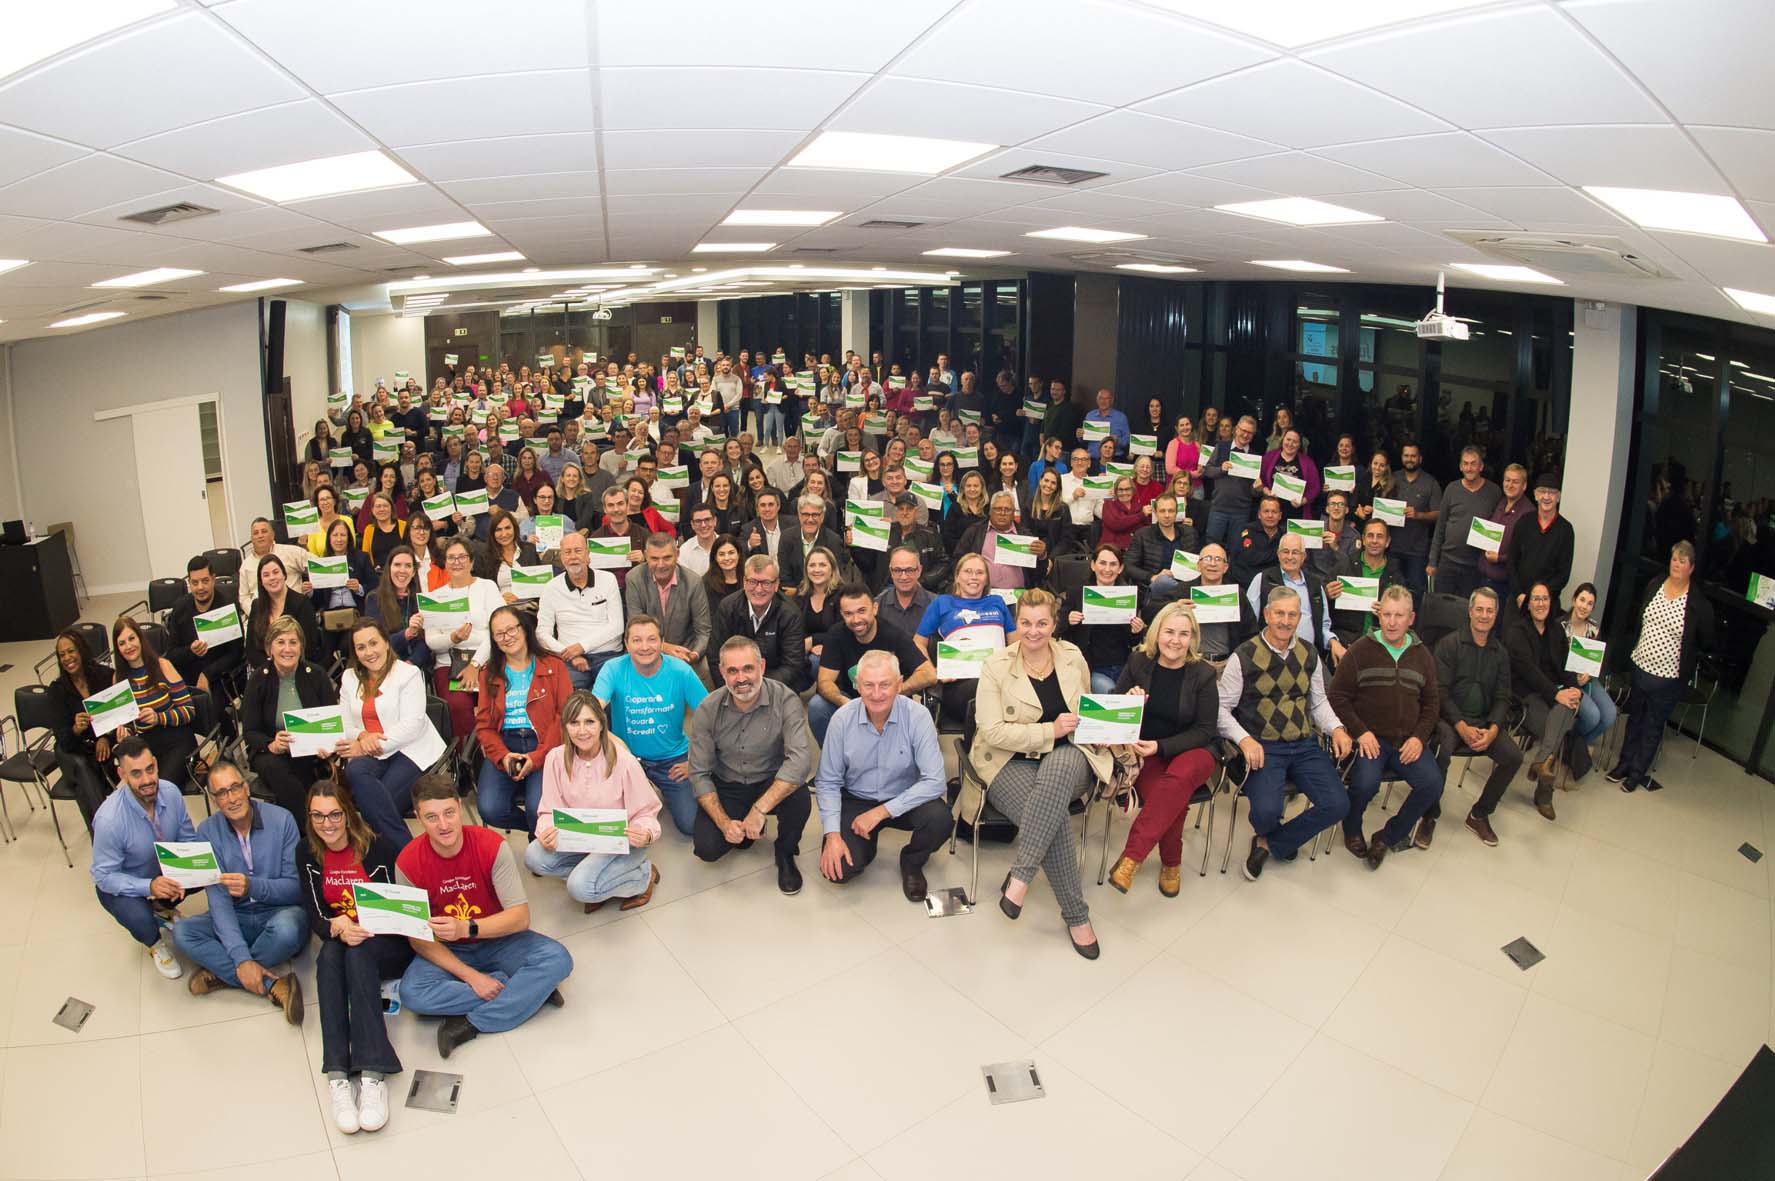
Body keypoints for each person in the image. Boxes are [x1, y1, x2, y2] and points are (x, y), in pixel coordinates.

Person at [969, 590, 1111, 958]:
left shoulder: (1073, 657)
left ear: (1054, 623)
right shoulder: (996, 665)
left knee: (1059, 767)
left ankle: (1021, 875)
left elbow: (1088, 712)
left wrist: (1117, 715)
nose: (1034, 631)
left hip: (1070, 757)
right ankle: (1077, 916)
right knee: (1055, 816)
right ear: (1017, 622)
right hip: (1007, 761)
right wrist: (1050, 731)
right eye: (1027, 623)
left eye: (1042, 623)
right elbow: (992, 731)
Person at [395, 774, 573, 1059]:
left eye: (449, 813)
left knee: (559, 959)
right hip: (448, 949)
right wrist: (472, 977)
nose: (443, 825)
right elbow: (418, 939)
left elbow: (520, 918)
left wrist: (467, 928)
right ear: (418, 817)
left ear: (458, 806)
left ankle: (470, 1023)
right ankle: (529, 993)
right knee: (412, 994)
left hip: (496, 936)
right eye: (431, 817)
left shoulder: (490, 845)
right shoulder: (407, 862)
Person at [1217, 586, 1354, 880]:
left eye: (1293, 614)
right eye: (1279, 613)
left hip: (1304, 744)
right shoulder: (1243, 656)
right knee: (1265, 813)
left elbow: (1318, 701)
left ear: (1300, 617)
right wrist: (1245, 739)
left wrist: (1338, 728)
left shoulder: (1309, 653)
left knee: (1338, 803)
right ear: (1267, 614)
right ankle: (1275, 836)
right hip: (1264, 747)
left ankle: (1269, 843)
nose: (1285, 620)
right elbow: (1221, 710)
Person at [297, 780, 410, 1135]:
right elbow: (315, 914)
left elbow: (403, 912)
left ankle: (373, 1075)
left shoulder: (378, 848)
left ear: (348, 813)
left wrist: (367, 926)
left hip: (386, 941)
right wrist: (337, 925)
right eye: (318, 816)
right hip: (343, 935)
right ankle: (338, 1076)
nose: (327, 824)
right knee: (328, 960)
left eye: (334, 814)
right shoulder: (306, 852)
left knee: (357, 956)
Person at [172, 761, 307, 1020]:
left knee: (289, 928)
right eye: (222, 793)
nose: (231, 798)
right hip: (238, 916)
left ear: (246, 788)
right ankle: (270, 984)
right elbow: (219, 903)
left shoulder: (282, 820)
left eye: (235, 787)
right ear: (214, 799)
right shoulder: (207, 832)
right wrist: (242, 958)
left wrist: (252, 885)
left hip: (279, 913)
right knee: (183, 933)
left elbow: (295, 889)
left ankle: (224, 974)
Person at [815, 650, 951, 901]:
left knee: (940, 819)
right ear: (857, 685)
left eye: (885, 685)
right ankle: (865, 846)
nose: (877, 694)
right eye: (868, 685)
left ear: (899, 683)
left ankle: (911, 861)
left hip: (904, 796)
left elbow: (935, 781)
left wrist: (881, 812)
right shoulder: (841, 720)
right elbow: (827, 782)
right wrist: (832, 835)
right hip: (857, 798)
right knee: (839, 872)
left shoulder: (918, 717)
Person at [1107, 601, 1219, 896]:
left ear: (1193, 638)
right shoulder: (1138, 663)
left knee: (1179, 779)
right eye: (1169, 631)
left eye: (1184, 634)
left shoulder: (1204, 674)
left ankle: (1131, 858)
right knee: (1169, 797)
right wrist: (1131, 703)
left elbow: (1206, 730)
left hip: (1196, 751)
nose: (1175, 640)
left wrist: (1161, 746)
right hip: (1147, 753)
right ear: (1156, 633)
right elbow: (1113, 710)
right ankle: (1172, 862)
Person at [1327, 587, 1444, 868]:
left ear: (1411, 618)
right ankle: (1352, 828)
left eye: (1399, 616)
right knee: (1364, 785)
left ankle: (1388, 837)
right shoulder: (1360, 650)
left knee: (1432, 784)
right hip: (1371, 739)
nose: (1391, 622)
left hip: (1407, 741)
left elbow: (1431, 705)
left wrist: (1419, 738)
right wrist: (1360, 731)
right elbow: (1337, 696)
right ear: (1378, 615)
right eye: (1386, 615)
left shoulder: (1422, 655)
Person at [689, 637, 815, 894]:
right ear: (722, 672)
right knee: (707, 849)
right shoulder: (708, 708)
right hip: (729, 783)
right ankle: (741, 828)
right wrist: (724, 823)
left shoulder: (785, 700)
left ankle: (785, 853)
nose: (741, 678)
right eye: (732, 671)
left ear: (762, 666)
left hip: (771, 779)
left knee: (800, 797)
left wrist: (759, 809)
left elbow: (800, 761)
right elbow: (699, 773)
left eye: (748, 668)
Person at [526, 691, 662, 912]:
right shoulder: (555, 758)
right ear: (565, 727)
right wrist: (546, 831)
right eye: (574, 723)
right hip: (579, 837)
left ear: (601, 724)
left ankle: (643, 876)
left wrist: (645, 833)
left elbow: (647, 812)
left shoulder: (625, 762)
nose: (582, 731)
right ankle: (600, 878)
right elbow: (548, 809)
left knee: (579, 888)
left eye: (589, 722)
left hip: (619, 840)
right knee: (533, 857)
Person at [90, 737, 200, 978]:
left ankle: (160, 907)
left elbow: (187, 839)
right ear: (121, 774)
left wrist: (192, 868)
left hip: (160, 867)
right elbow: (104, 877)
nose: (147, 780)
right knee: (139, 917)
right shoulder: (109, 820)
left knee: (205, 867)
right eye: (136, 774)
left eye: (150, 769)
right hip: (124, 883)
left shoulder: (170, 792)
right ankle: (153, 942)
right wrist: (148, 886)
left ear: (157, 764)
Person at [1611, 541, 1714, 793]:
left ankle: (1637, 773)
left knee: (1652, 725)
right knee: (1634, 718)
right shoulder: (1655, 584)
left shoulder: (1698, 604)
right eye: (1674, 559)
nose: (1676, 564)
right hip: (1640, 667)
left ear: (1691, 567)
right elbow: (1641, 619)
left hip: (1669, 678)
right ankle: (1624, 764)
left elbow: (1705, 639)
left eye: (1682, 561)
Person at [593, 614, 709, 835]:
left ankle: (660, 789)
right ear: (626, 645)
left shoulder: (680, 670)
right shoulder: (613, 668)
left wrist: (695, 760)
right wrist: (616, 745)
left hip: (672, 759)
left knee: (691, 825)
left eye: (652, 639)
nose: (644, 647)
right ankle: (644, 789)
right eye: (636, 640)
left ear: (662, 643)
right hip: (626, 759)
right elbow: (592, 712)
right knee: (614, 825)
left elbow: (711, 718)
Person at [338, 618, 447, 851]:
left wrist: (368, 744)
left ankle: (393, 857)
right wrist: (361, 737)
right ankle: (412, 855)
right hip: (373, 751)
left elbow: (412, 725)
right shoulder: (349, 678)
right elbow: (345, 723)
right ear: (355, 653)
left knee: (376, 801)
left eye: (373, 643)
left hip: (412, 749)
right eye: (361, 647)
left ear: (387, 643)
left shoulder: (408, 674)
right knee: (356, 771)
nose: (369, 652)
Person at [1428, 587, 1523, 847]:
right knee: (1442, 750)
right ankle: (1429, 814)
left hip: (1483, 722)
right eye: (1479, 609)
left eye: (1489, 610)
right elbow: (1440, 693)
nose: (1484, 615)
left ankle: (1479, 814)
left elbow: (1504, 696)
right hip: (1449, 720)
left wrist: (1492, 730)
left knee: (1514, 757)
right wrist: (1460, 726)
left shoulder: (1501, 653)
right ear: (1470, 611)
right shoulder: (1448, 645)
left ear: (1496, 615)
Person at [475, 606, 572, 838]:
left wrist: (537, 757)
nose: (507, 637)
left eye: (511, 629)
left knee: (537, 808)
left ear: (524, 629)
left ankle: (539, 833)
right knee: (490, 809)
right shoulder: (489, 672)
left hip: (545, 744)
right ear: (494, 641)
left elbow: (564, 716)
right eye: (500, 634)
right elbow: (485, 726)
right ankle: (537, 831)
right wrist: (503, 755)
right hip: (505, 744)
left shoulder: (554, 665)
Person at [241, 616, 339, 816]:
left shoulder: (317, 675)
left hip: (310, 752)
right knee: (278, 770)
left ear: (301, 647)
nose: (287, 649)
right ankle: (311, 825)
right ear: (270, 649)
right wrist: (271, 744)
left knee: (304, 772)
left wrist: (327, 747)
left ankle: (301, 829)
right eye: (281, 642)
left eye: (293, 642)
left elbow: (332, 723)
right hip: (270, 752)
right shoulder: (259, 679)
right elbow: (250, 731)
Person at [915, 552, 1018, 724]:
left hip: (1001, 676)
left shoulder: (997, 602)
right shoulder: (942, 603)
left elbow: (1016, 643)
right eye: (968, 571)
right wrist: (933, 673)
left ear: (986, 579)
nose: (974, 577)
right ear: (957, 577)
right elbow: (918, 642)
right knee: (989, 692)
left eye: (979, 573)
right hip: (962, 683)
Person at [422, 538, 505, 739]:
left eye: (462, 557)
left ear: (471, 562)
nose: (456, 562)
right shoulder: (434, 597)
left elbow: (499, 630)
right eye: (451, 557)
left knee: (496, 701)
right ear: (445, 562)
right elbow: (431, 641)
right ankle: (470, 760)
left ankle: (497, 751)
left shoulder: (487, 587)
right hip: (449, 664)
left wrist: (475, 665)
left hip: (486, 659)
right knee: (457, 706)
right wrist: (453, 638)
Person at [47, 626, 120, 830]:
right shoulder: (57, 691)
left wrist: (105, 737)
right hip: (72, 749)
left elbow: (119, 716)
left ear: (81, 651)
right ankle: (104, 831)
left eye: (71, 651)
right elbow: (63, 740)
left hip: (101, 746)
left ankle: (104, 835)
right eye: (62, 655)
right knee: (83, 770)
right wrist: (75, 729)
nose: (67, 658)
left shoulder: (104, 676)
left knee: (88, 783)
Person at [112, 615, 200, 780]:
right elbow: (128, 723)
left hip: (177, 740)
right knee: (140, 787)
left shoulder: (163, 666)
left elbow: (189, 711)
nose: (128, 646)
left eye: (132, 638)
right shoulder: (118, 678)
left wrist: (158, 717)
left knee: (161, 787)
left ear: (140, 639)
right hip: (144, 746)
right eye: (122, 643)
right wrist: (126, 732)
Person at [535, 532, 625, 690]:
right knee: (570, 698)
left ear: (588, 555)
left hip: (607, 655)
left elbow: (617, 626)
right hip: (569, 657)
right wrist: (570, 653)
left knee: (614, 694)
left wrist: (582, 646)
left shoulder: (608, 579)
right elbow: (542, 632)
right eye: (567, 552)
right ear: (561, 558)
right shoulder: (551, 588)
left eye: (578, 551)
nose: (573, 557)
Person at [709, 554, 808, 689]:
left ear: (776, 584)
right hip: (736, 684)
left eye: (766, 583)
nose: (759, 589)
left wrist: (756, 688)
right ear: (744, 582)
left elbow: (793, 666)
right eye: (753, 582)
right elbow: (716, 658)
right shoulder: (728, 608)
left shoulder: (791, 614)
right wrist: (732, 689)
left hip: (777, 687)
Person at [1061, 543, 1147, 693]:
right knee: (1112, 693)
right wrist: (1068, 620)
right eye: (1102, 563)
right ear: (1093, 565)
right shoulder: (1077, 592)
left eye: (1113, 564)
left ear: (1120, 569)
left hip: (1123, 666)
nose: (1107, 569)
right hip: (1091, 667)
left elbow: (1132, 642)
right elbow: (1059, 628)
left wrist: (1136, 631)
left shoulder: (1128, 596)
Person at [623, 532, 712, 673]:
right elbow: (635, 627)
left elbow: (703, 630)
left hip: (685, 651)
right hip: (646, 648)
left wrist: (694, 654)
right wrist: (665, 648)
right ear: (646, 556)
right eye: (654, 559)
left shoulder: (693, 581)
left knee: (704, 669)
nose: (660, 565)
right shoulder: (634, 578)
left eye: (667, 558)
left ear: (677, 553)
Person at [1247, 532, 1339, 660]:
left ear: (1303, 557)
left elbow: (1323, 625)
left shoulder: (1315, 584)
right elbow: (1249, 622)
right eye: (1285, 551)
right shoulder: (1262, 579)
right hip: (1270, 657)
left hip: (1309, 657)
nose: (1290, 557)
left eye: (1295, 552)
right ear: (1278, 554)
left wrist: (1333, 642)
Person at [1426, 446, 1501, 599]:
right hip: (1448, 562)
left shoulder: (1494, 492)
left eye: (1473, 464)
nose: (1469, 468)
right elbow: (1440, 527)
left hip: (1476, 566)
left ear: (1481, 466)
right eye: (1465, 464)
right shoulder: (1451, 489)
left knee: (1468, 611)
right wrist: (1432, 561)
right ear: (1460, 466)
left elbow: (1499, 526)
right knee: (1441, 608)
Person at [164, 554, 244, 695]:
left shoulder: (227, 606)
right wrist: (190, 651)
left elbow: (236, 653)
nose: (200, 587)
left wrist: (207, 674)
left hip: (220, 676)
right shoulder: (179, 608)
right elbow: (171, 654)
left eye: (205, 581)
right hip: (188, 675)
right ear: (189, 583)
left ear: (213, 579)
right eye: (195, 583)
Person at [1562, 583, 1619, 772]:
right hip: (1566, 681)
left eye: (1590, 604)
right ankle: (1571, 744)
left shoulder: (1594, 629)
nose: (1584, 606)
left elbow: (1596, 661)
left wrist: (1589, 674)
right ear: (1574, 600)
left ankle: (1573, 745)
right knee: (1593, 715)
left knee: (1609, 714)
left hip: (1588, 679)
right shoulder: (1560, 626)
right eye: (1582, 600)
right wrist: (1574, 681)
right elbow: (1553, 664)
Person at [1503, 472, 1575, 608]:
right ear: (1535, 495)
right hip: (1518, 599)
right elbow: (1511, 561)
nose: (1546, 497)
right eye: (1542, 491)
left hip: (1546, 604)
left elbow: (1563, 574)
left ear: (1558, 497)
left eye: (1552, 492)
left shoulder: (1565, 530)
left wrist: (1538, 598)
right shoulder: (1524, 522)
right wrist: (1519, 594)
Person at [1390, 442, 1441, 606]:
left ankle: (1414, 628)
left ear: (1420, 458)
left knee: (1415, 592)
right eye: (1406, 455)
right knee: (1391, 591)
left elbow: (1439, 514)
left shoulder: (1430, 482)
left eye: (1413, 456)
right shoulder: (1392, 478)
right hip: (1392, 548)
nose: (1409, 459)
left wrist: (1419, 515)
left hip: (1417, 550)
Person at [1125, 492, 1198, 600]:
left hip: (1184, 585)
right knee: (1163, 581)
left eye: (1171, 511)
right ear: (1155, 512)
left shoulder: (1189, 533)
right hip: (1156, 590)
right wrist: (1152, 577)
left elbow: (1197, 563)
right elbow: (1128, 566)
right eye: (1162, 511)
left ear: (1177, 512)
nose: (1167, 515)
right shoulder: (1142, 534)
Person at [1203, 415, 1260, 548]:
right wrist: (1221, 469)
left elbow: (1254, 493)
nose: (1245, 435)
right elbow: (1208, 471)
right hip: (1218, 508)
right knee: (1211, 547)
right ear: (1236, 429)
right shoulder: (1222, 447)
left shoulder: (1255, 456)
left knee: (1236, 550)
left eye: (1249, 433)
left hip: (1241, 512)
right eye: (1243, 430)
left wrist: (1257, 489)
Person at [1478, 464, 1531, 601]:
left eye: (1515, 481)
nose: (1510, 485)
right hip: (1484, 578)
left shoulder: (1528, 513)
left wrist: (1499, 558)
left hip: (1504, 586)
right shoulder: (1501, 503)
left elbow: (1526, 555)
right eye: (1507, 480)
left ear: (1524, 486)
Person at [241, 517, 309, 610]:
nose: (260, 536)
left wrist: (311, 586)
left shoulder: (292, 552)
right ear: (251, 539)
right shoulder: (246, 565)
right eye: (256, 533)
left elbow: (317, 565)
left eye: (264, 531)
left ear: (273, 535)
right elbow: (243, 597)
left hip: (293, 610)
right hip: (262, 615)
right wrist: (256, 613)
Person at [1257, 429, 1320, 522]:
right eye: (1288, 439)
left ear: (1299, 445)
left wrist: (1303, 501)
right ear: (1283, 440)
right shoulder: (1269, 457)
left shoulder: (1308, 462)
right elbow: (1260, 480)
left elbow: (1315, 487)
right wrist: (1266, 491)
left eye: (1295, 442)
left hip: (1296, 514)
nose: (1290, 444)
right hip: (1271, 513)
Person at [876, 544, 936, 637]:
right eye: (897, 570)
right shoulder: (877, 605)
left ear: (919, 571)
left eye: (909, 570)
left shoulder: (937, 605)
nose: (903, 577)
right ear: (891, 572)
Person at [1079, 388, 1130, 454]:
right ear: (1097, 400)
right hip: (1093, 458)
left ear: (1112, 400)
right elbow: (1084, 441)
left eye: (1107, 398)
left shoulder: (1121, 417)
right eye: (1101, 398)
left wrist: (1117, 440)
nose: (1103, 401)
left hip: (1114, 459)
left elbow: (1127, 441)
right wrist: (1081, 436)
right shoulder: (1090, 415)